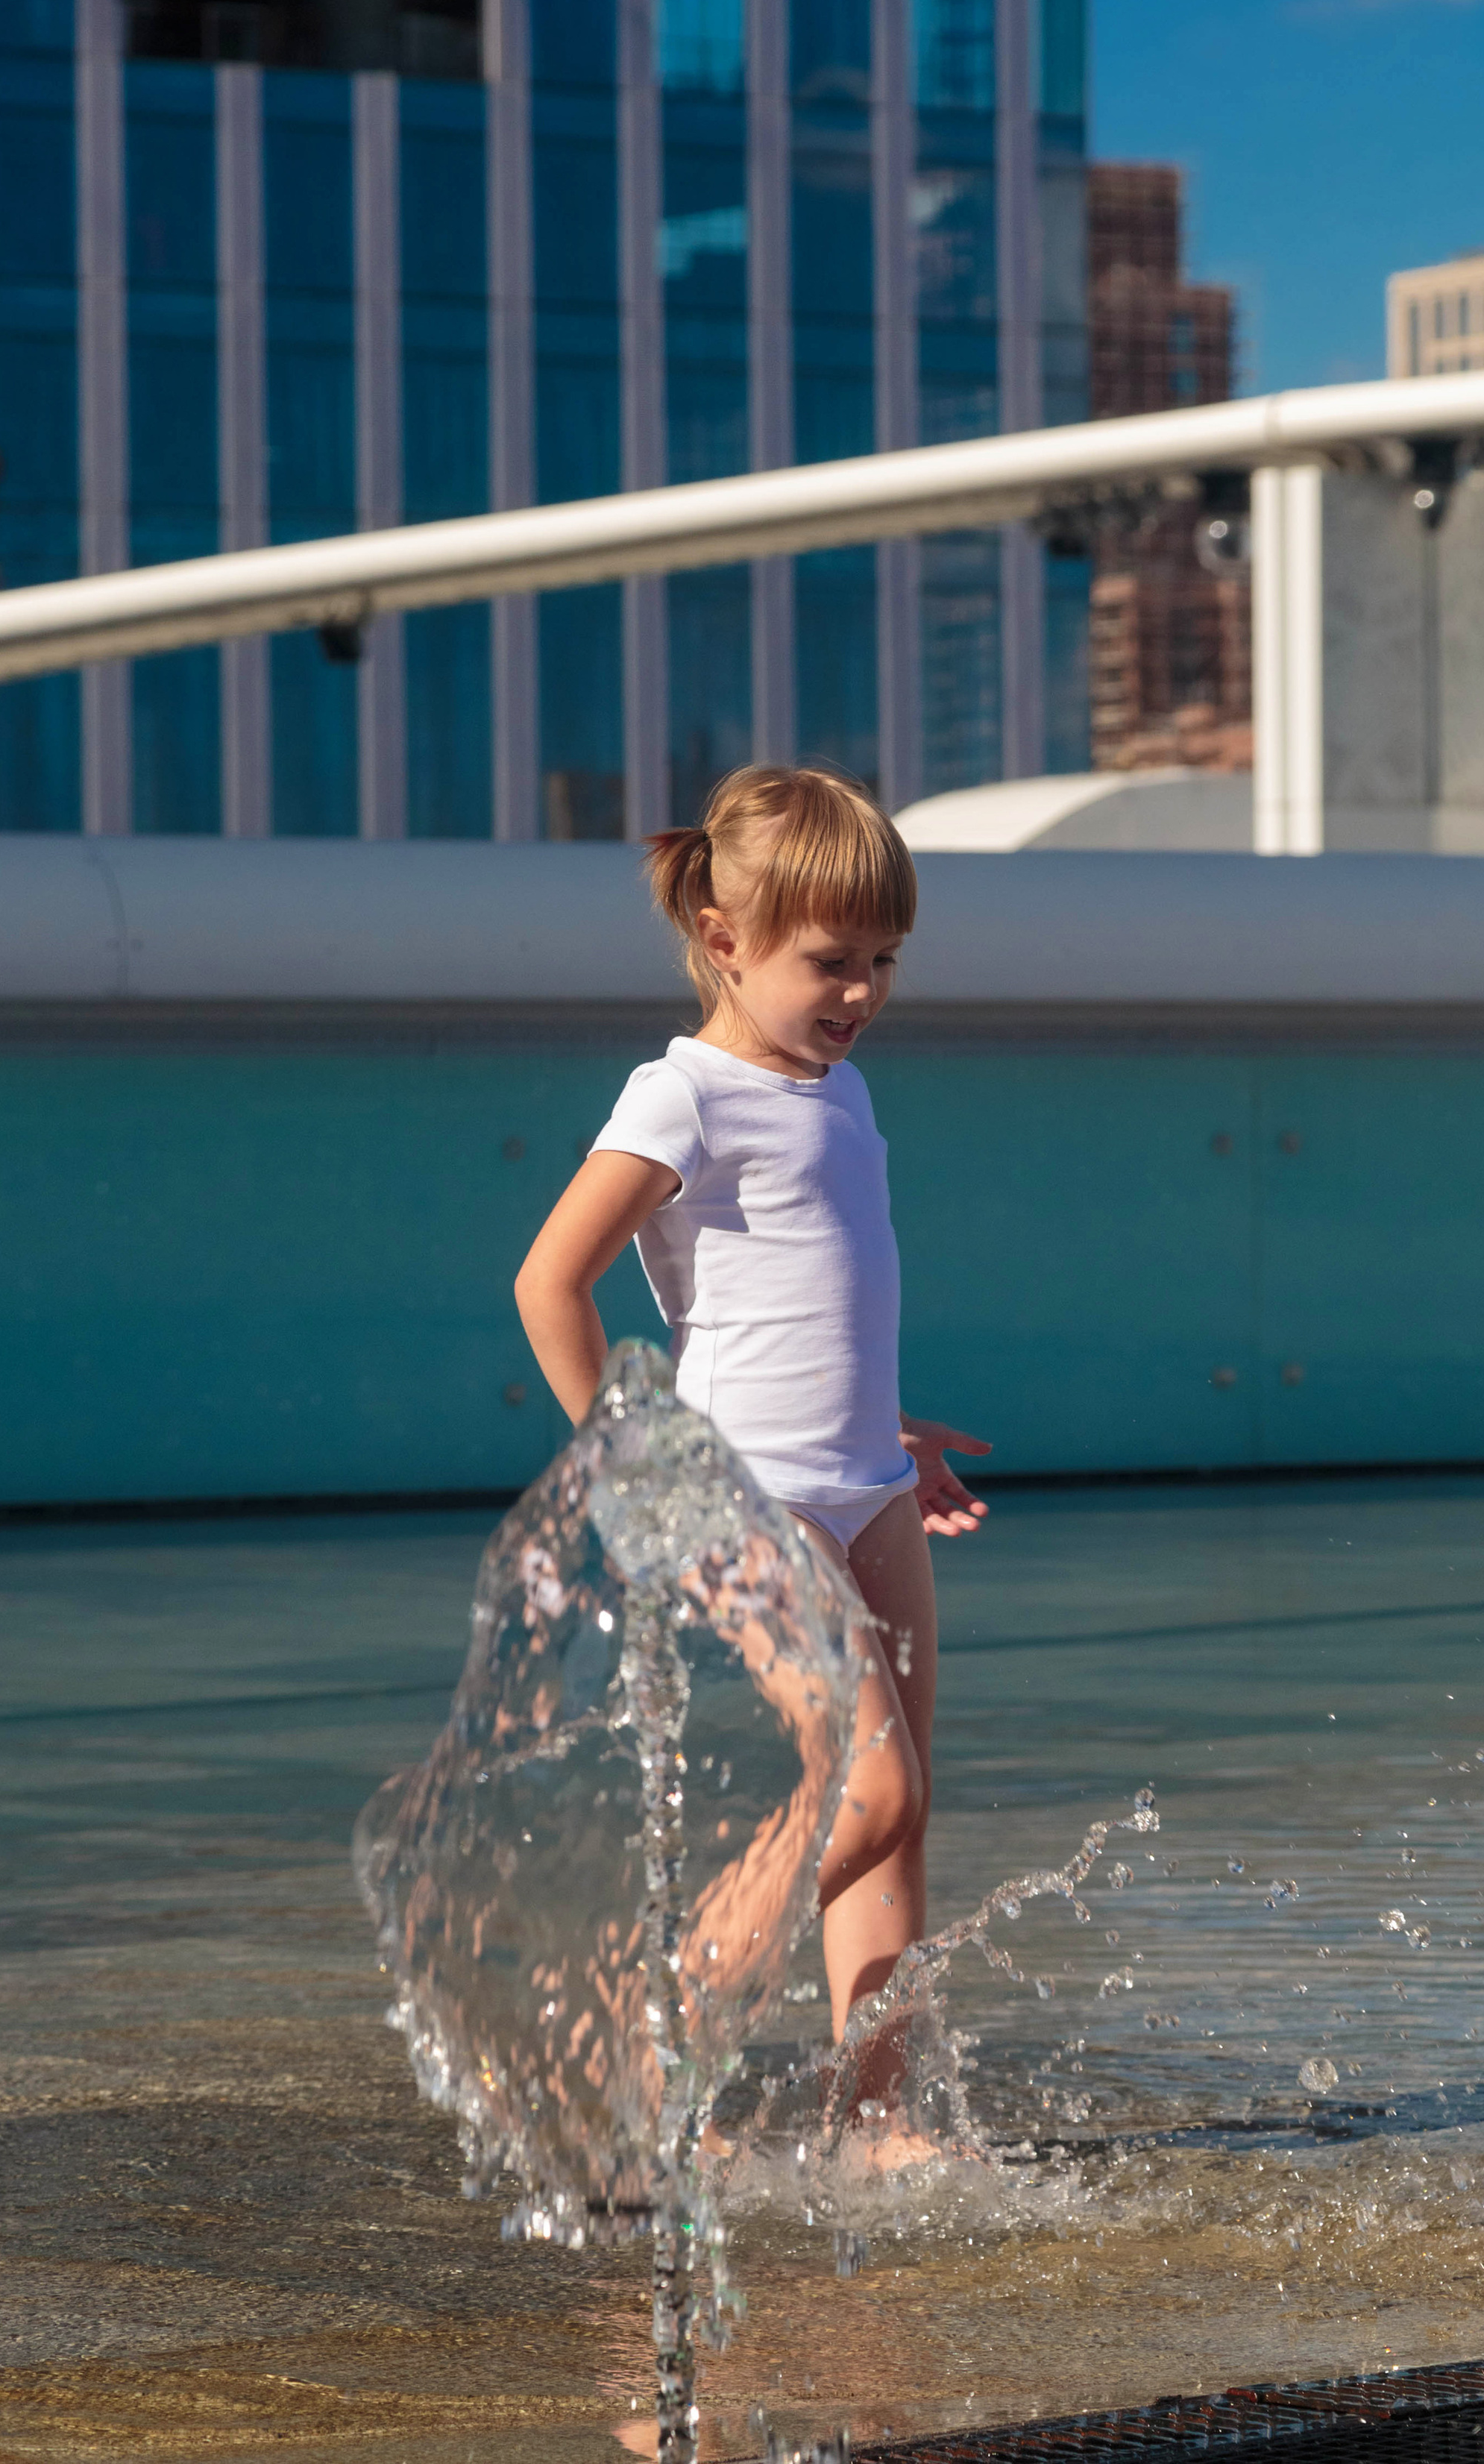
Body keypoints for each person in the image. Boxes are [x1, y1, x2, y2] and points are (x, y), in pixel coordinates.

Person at [514, 763, 989, 2084]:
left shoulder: (839, 1092)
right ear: (725, 941)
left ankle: (880, 2117)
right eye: (833, 962)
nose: (864, 993)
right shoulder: (683, 1094)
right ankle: (638, 2018)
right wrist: (632, 1452)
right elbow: (550, 1284)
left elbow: (804, 1306)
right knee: (870, 1789)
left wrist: (892, 1430)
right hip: (748, 1498)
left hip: (867, 1486)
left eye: (884, 962)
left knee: (903, 1811)